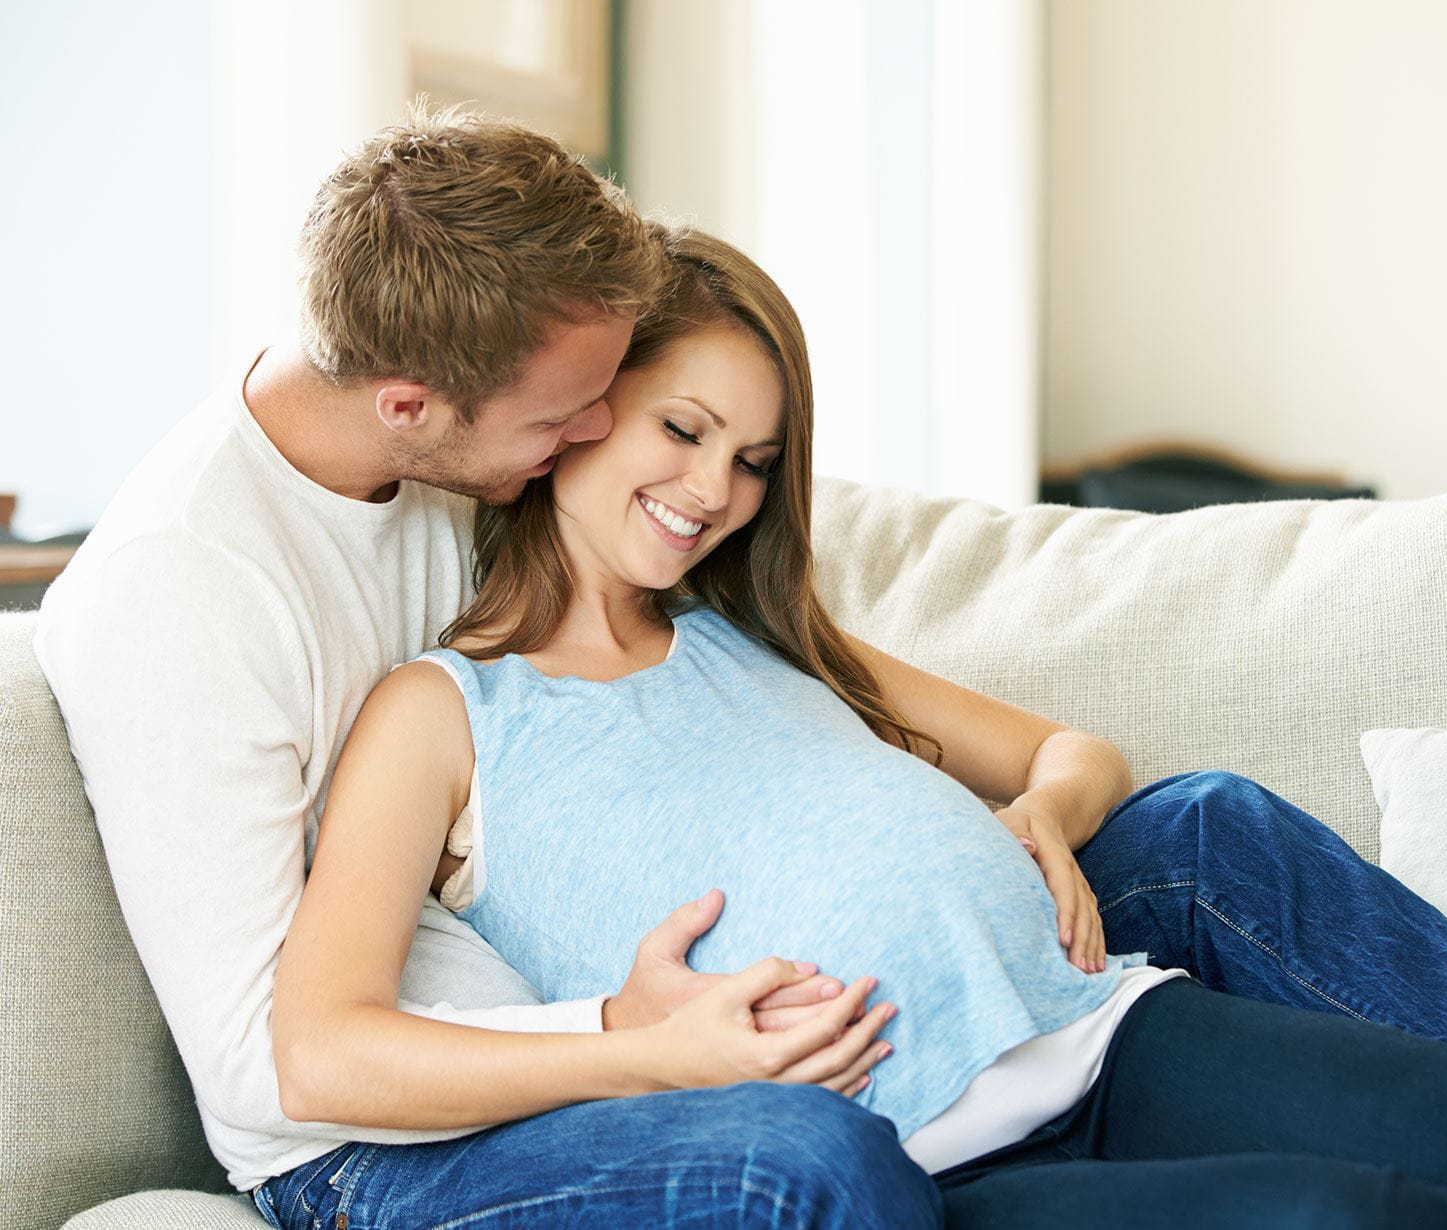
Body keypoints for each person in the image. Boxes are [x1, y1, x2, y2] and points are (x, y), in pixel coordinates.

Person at [270, 226, 1447, 1228]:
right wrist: (647, 1055)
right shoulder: (441, 712)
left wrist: (1040, 821)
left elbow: (1074, 754)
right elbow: (322, 1044)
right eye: (682, 429)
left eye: (752, 459)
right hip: (930, 1157)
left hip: (1100, 1032)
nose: (714, 489)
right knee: (1356, 1217)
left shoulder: (749, 632)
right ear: (573, 418)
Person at [36, 107, 938, 1228]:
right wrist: (625, 1035)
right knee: (804, 1160)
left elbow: (725, 650)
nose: (600, 426)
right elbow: (275, 1077)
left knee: (1172, 843)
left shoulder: (458, 459)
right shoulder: (177, 599)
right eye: (565, 414)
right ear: (408, 405)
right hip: (375, 1150)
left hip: (593, 1016)